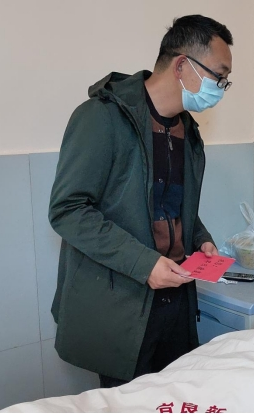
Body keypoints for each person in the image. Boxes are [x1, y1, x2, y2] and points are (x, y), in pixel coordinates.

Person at [48, 15, 233, 388]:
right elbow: (68, 210)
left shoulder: (188, 132)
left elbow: (175, 204)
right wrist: (144, 264)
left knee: (175, 399)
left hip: (176, 300)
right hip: (123, 302)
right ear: (182, 66)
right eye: (219, 76)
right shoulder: (102, 118)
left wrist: (200, 239)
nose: (221, 89)